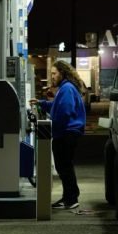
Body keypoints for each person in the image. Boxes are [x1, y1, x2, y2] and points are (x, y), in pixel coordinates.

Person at [29, 60, 86, 210]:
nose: (52, 76)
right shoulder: (66, 87)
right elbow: (57, 106)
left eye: (54, 73)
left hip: (66, 133)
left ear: (62, 73)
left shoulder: (66, 88)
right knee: (64, 167)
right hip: (68, 132)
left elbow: (65, 111)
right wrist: (41, 103)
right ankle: (69, 197)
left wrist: (54, 128)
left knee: (64, 167)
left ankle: (71, 199)